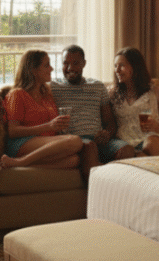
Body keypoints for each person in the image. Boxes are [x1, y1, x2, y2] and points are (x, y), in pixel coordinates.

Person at [51, 45, 134, 173]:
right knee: (89, 147)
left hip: (99, 140)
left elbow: (110, 121)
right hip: (75, 142)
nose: (70, 68)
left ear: (84, 64)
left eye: (75, 63)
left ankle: (114, 182)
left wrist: (107, 133)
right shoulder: (52, 87)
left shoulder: (97, 86)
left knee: (127, 149)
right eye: (65, 63)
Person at [0, 49, 83, 170]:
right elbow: (13, 131)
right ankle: (20, 162)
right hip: (22, 143)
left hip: (45, 143)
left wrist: (59, 127)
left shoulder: (47, 94)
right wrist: (48, 126)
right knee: (75, 141)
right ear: (33, 70)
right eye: (46, 65)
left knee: (74, 160)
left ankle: (17, 164)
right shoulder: (17, 94)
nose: (51, 69)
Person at [108, 47, 159, 156]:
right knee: (132, 152)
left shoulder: (155, 93)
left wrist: (156, 128)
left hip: (152, 139)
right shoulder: (112, 95)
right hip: (125, 143)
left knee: (151, 144)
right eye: (115, 66)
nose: (117, 70)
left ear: (135, 67)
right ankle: (140, 156)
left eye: (121, 65)